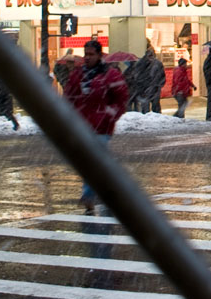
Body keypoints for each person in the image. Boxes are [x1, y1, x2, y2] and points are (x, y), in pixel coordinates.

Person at [64, 39, 129, 213]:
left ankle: (89, 194)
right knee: (91, 162)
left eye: (91, 54)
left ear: (100, 56)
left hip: (101, 128)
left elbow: (121, 99)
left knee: (93, 161)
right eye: (86, 54)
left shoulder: (110, 75)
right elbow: (69, 97)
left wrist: (109, 114)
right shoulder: (79, 75)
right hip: (83, 126)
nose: (87, 58)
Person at [135, 45, 166, 113]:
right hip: (146, 89)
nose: (151, 58)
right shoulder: (142, 63)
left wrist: (159, 85)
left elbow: (162, 76)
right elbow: (137, 76)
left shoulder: (157, 64)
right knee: (146, 107)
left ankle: (155, 117)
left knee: (155, 106)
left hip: (154, 88)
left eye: (152, 56)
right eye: (150, 56)